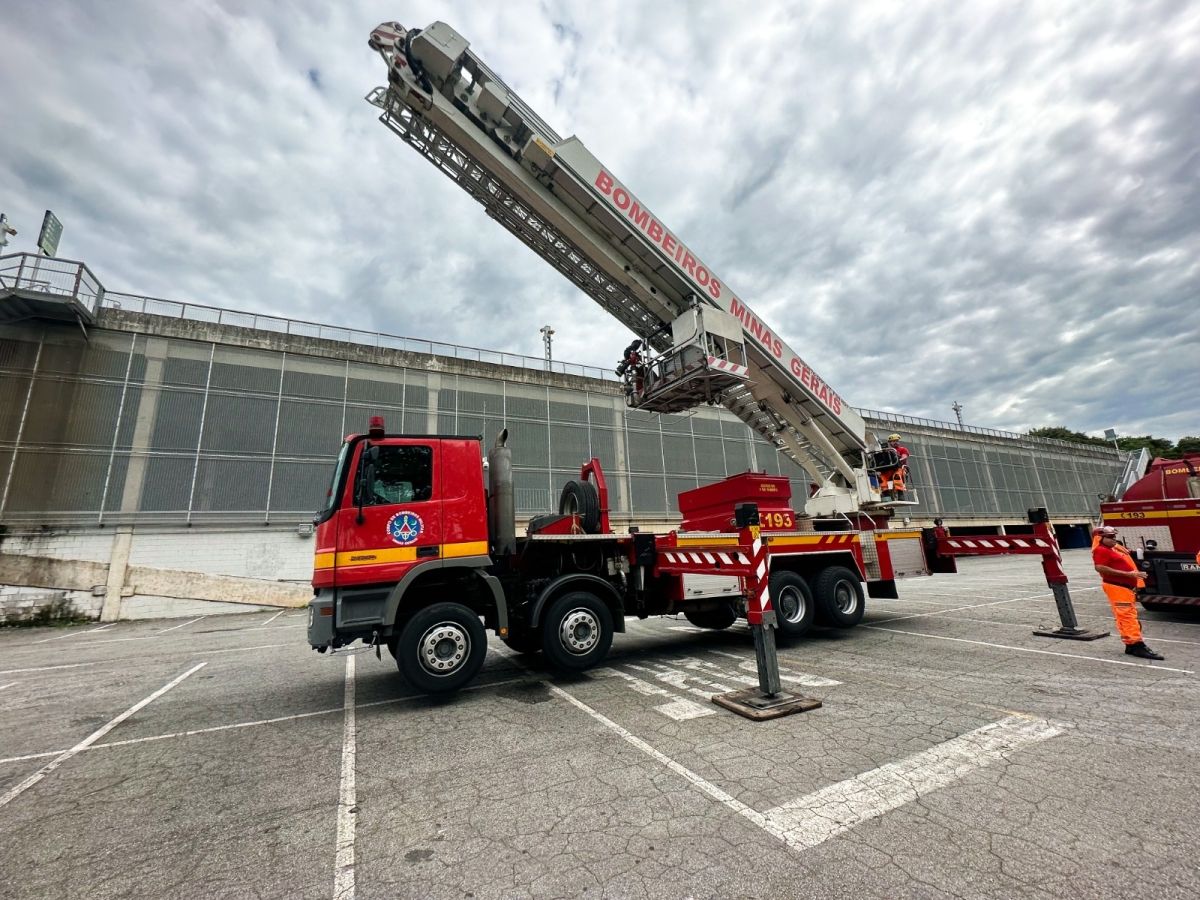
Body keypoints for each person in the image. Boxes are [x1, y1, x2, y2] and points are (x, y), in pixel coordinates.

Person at [1091, 525, 1163, 660]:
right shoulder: (1101, 550)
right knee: (1127, 617)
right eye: (1111, 537)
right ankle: (1137, 645)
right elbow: (1100, 567)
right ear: (1100, 538)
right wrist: (1129, 575)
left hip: (1123, 587)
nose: (1114, 539)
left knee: (1126, 616)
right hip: (1117, 588)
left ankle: (1130, 644)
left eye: (1114, 536)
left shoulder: (1111, 548)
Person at [879, 433, 910, 501]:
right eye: (894, 441)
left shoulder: (902, 449)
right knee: (882, 477)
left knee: (897, 476)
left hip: (900, 468)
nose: (896, 442)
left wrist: (899, 459)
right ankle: (886, 494)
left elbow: (904, 456)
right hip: (889, 469)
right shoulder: (888, 451)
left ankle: (900, 493)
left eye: (897, 441)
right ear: (890, 443)